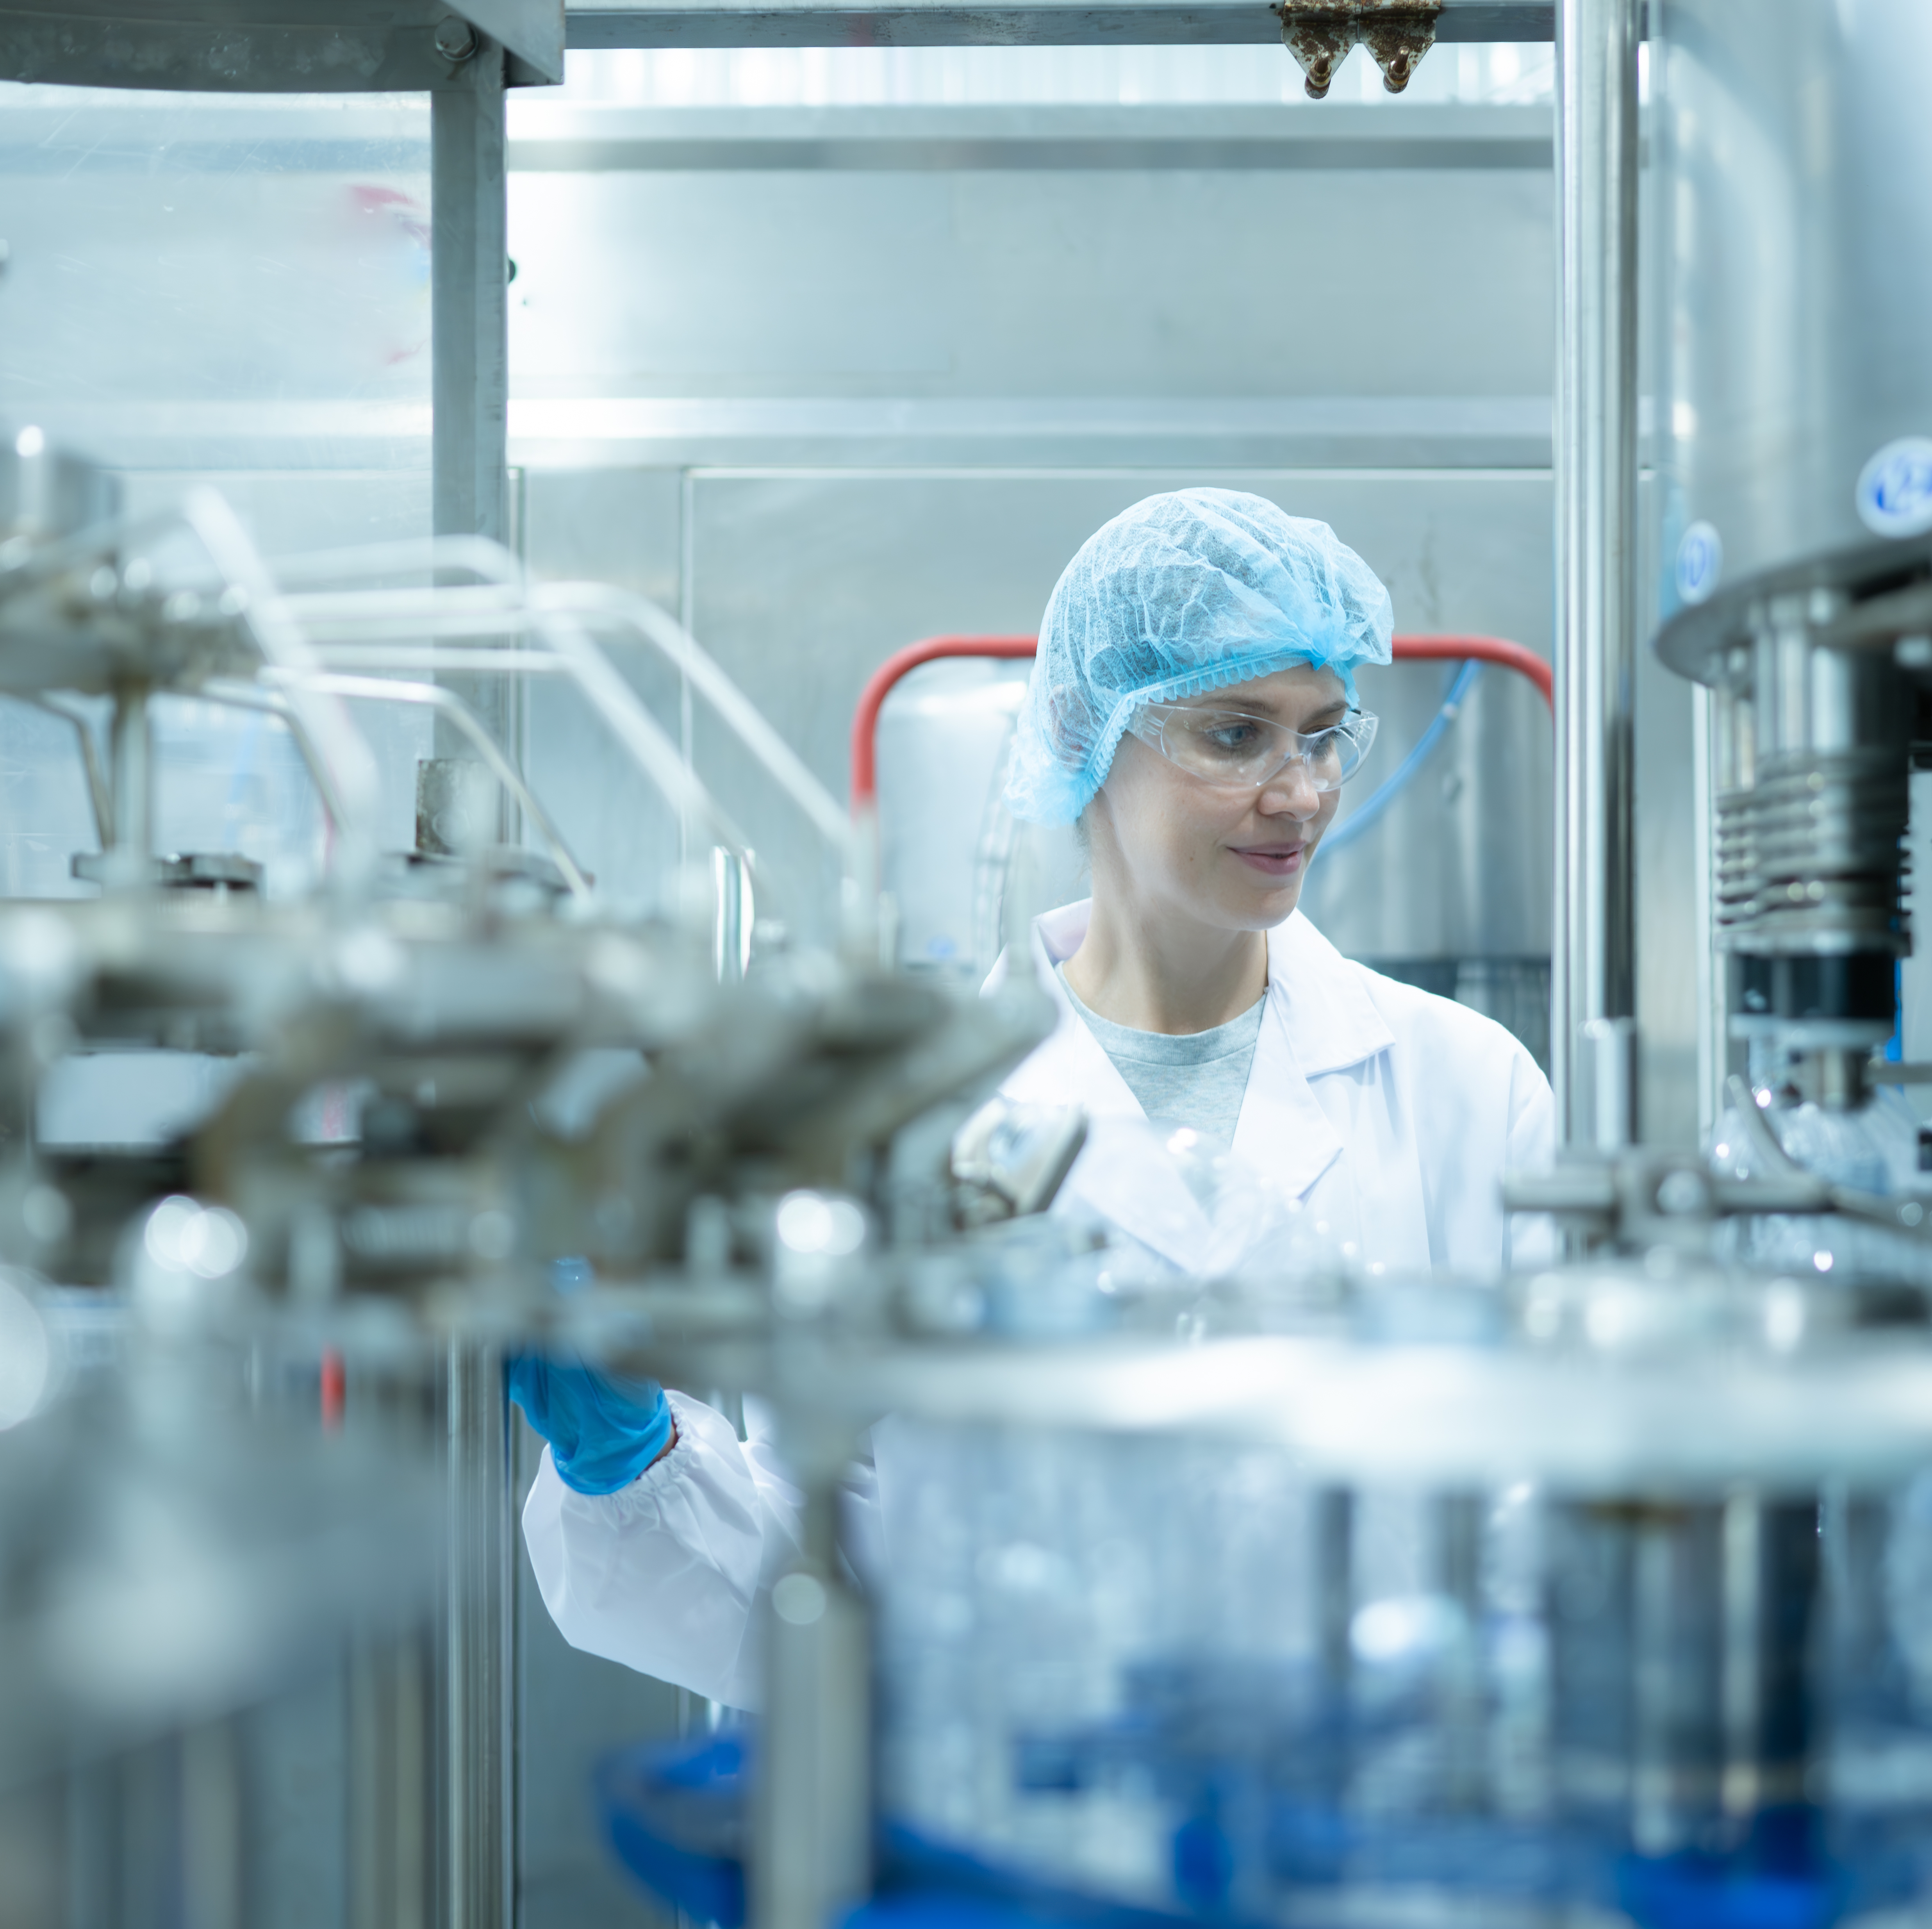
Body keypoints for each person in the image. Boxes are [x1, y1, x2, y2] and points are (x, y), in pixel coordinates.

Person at [511, 489, 1557, 1708]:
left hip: (1369, 1842)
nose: (1302, 792)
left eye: (1324, 733)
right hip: (1021, 1839)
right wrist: (628, 1460)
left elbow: (1548, 1535)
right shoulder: (908, 1122)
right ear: (1082, 730)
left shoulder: (1465, 1087)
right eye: (1236, 735)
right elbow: (810, 1595)